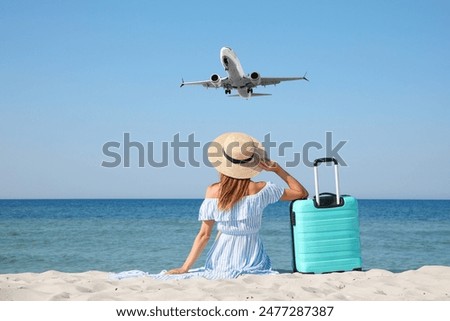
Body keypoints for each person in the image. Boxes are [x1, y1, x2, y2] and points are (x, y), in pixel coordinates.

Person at [163, 132, 308, 279]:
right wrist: (277, 169)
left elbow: (204, 235)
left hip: (221, 260)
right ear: (251, 163)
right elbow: (301, 192)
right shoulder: (261, 189)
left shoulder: (213, 191)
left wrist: (185, 268)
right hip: (253, 260)